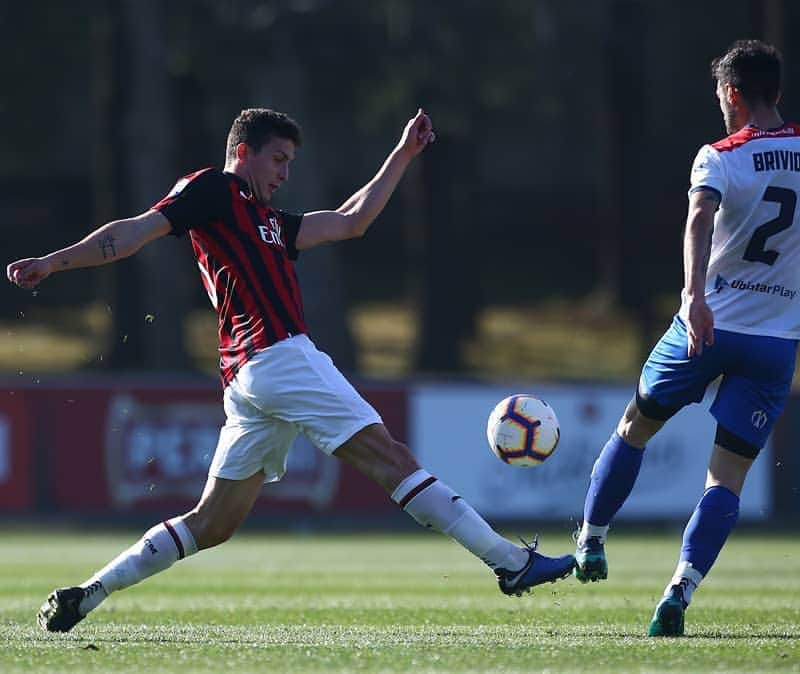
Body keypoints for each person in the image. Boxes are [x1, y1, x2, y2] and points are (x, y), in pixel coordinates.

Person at [8, 107, 575, 634]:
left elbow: (352, 221)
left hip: (248, 382)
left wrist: (402, 154)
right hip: (279, 356)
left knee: (212, 524)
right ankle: (509, 562)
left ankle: (89, 592)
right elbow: (129, 233)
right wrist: (55, 262)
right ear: (244, 151)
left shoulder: (271, 223)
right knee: (393, 459)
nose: (284, 173)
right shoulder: (213, 189)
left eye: (289, 164)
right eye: (278, 159)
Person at [570, 40, 800, 637]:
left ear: (732, 93)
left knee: (635, 426)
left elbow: (699, 215)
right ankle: (679, 590)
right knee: (726, 478)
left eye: (719, 96)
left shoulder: (720, 155)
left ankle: (592, 540)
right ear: (777, 92)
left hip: (706, 327)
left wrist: (694, 297)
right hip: (775, 342)